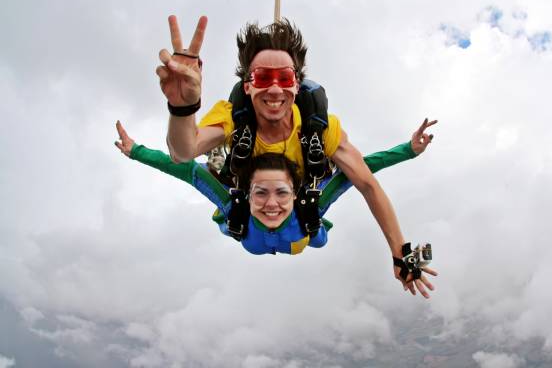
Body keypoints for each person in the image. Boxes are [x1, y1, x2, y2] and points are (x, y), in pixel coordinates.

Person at [154, 15, 437, 294]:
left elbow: (366, 183)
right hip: (255, 200)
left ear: (296, 85)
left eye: (285, 77)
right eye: (263, 77)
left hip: (302, 203)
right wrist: (183, 108)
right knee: (239, 224)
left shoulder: (320, 129)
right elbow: (183, 152)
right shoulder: (233, 118)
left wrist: (402, 254)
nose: (275, 88)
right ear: (248, 85)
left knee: (313, 234)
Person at [114, 121, 437, 297]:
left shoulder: (310, 204)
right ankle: (227, 166)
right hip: (256, 237)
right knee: (233, 219)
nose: (271, 204)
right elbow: (184, 169)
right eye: (261, 193)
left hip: (302, 236)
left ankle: (295, 201)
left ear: (295, 194)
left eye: (282, 193)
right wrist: (137, 151)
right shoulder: (234, 203)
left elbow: (362, 171)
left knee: (317, 235)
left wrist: (408, 150)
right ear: (247, 192)